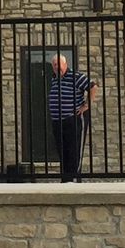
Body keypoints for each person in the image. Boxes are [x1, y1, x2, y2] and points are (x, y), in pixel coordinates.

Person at [46, 54, 96, 183]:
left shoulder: (76, 76)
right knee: (62, 151)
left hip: (73, 119)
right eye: (54, 65)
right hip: (58, 121)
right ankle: (65, 179)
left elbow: (93, 87)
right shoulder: (54, 78)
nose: (57, 67)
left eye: (59, 64)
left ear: (65, 64)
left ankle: (74, 179)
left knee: (74, 150)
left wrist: (87, 105)